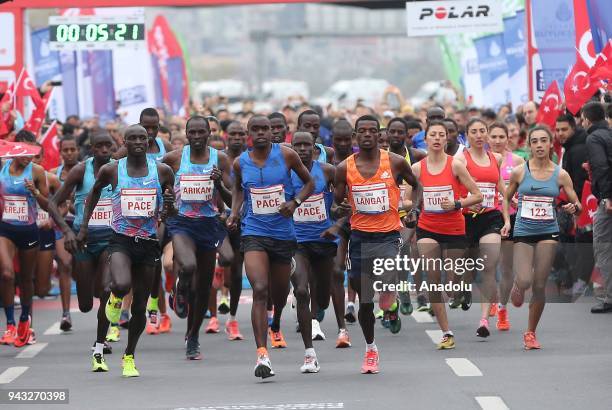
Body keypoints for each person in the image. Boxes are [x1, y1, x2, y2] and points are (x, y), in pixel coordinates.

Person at [81, 124, 175, 377]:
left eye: (141, 138)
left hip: (148, 243)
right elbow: (93, 193)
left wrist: (168, 207)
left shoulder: (163, 171)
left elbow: (170, 210)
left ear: (148, 141)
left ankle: (129, 356)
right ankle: (99, 348)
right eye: (131, 138)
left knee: (140, 306)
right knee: (120, 285)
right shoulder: (112, 170)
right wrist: (84, 226)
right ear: (124, 142)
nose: (137, 142)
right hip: (120, 239)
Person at [227, 115, 313, 379]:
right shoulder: (240, 162)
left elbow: (310, 183)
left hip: (283, 235)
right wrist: (234, 213)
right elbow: (239, 191)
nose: (262, 132)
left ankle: (277, 312)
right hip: (254, 232)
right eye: (257, 129)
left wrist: (295, 202)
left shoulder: (286, 155)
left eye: (266, 128)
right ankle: (262, 354)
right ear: (249, 134)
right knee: (260, 289)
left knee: (279, 294)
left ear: (272, 132)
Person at [334, 115, 420, 374]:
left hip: (388, 235)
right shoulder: (343, 168)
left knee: (384, 277)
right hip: (360, 237)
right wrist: (342, 207)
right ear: (355, 137)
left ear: (378, 134)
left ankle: (389, 294)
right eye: (363, 131)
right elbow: (336, 204)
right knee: (365, 302)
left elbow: (418, 186)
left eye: (373, 131)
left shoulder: (394, 162)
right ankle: (371, 348)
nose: (368, 135)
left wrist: (414, 208)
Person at [504, 126, 581, 349]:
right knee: (526, 280)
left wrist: (572, 208)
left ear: (550, 144)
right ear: (529, 145)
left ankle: (530, 333)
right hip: (524, 232)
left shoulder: (561, 174)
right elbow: (506, 199)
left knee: (539, 284)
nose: (539, 145)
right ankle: (518, 285)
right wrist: (508, 221)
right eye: (535, 141)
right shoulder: (520, 171)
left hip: (548, 231)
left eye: (543, 141)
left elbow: (578, 205)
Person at [163, 115, 232, 360]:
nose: (196, 137)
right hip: (182, 223)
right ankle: (179, 286)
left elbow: (231, 198)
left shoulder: (219, 159)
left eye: (201, 132)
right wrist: (166, 200)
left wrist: (218, 185)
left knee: (204, 287)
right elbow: (157, 180)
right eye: (191, 132)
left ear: (208, 133)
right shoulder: (174, 158)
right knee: (188, 266)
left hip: (208, 224)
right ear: (186, 133)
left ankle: (193, 337)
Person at [412, 120, 482, 350]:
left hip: (454, 229)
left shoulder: (456, 166)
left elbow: (477, 195)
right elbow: (407, 197)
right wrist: (405, 206)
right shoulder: (417, 169)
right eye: (432, 134)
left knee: (450, 286)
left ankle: (452, 291)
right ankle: (446, 332)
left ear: (446, 139)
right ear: (426, 138)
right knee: (432, 278)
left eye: (441, 135)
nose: (437, 138)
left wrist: (456, 203)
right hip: (427, 228)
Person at [48, 131, 115, 371]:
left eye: (109, 146)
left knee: (107, 289)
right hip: (83, 242)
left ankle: (101, 341)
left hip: (111, 240)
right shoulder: (80, 171)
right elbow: (53, 204)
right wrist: (67, 232)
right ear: (91, 149)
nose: (104, 150)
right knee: (87, 302)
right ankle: (94, 311)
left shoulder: (120, 170)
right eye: (99, 146)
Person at [455, 119, 510, 337]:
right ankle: (462, 290)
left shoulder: (495, 158)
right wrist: (468, 199)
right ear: (467, 135)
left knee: (489, 265)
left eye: (482, 131)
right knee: (464, 268)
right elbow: (454, 192)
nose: (479, 135)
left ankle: (484, 320)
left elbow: (502, 192)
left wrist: (506, 220)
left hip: (490, 218)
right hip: (466, 219)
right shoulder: (460, 160)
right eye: (474, 132)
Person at [0, 135, 49, 347]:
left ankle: (24, 320)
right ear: (13, 151)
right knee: (7, 274)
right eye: (24, 153)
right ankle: (9, 324)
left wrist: (35, 191)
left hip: (28, 230)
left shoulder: (37, 171)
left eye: (31, 153)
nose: (29, 157)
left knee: (27, 279)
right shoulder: (2, 168)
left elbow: (47, 203)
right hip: (5, 229)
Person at [387, 117, 427, 314]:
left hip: (411, 214)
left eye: (399, 132)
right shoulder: (379, 158)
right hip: (387, 215)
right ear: (386, 134)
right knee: (399, 256)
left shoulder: (417, 156)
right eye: (392, 131)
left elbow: (423, 183)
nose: (396, 135)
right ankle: (403, 292)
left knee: (409, 251)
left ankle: (419, 293)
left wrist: (415, 209)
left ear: (406, 135)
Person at [487, 122, 524, 330]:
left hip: (510, 218)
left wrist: (519, 199)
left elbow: (524, 187)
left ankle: (502, 308)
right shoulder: (480, 161)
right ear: (488, 138)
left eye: (502, 136)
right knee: (489, 263)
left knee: (506, 266)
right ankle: (491, 298)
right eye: (494, 137)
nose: (498, 140)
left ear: (507, 139)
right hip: (488, 217)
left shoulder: (517, 161)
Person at [555, 113, 593, 297]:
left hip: (583, 206)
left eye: (564, 129)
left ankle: (582, 281)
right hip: (578, 204)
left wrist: (576, 210)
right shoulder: (570, 146)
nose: (560, 133)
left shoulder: (577, 149)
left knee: (581, 243)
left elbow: (578, 183)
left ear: (573, 128)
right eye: (557, 130)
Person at [218, 121, 247, 340]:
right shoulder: (218, 159)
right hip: (215, 219)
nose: (237, 138)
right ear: (226, 135)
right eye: (233, 134)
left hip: (242, 220)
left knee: (236, 273)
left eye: (241, 134)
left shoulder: (250, 160)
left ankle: (232, 318)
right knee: (216, 263)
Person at [582, 101, 612, 313]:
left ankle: (610, 297)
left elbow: (602, 166)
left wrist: (608, 196)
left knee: (602, 246)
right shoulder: (609, 134)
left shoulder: (593, 137)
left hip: (607, 201)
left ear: (587, 118)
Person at [51, 135, 80, 331]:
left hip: (83, 225)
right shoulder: (53, 174)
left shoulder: (87, 170)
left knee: (83, 271)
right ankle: (66, 313)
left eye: (72, 149)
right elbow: (49, 202)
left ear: (77, 150)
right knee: (65, 264)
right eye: (65, 150)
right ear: (60, 152)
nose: (69, 153)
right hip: (62, 226)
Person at [330, 120, 357, 327]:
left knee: (357, 269)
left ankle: (351, 304)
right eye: (338, 139)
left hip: (359, 220)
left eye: (346, 139)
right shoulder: (327, 159)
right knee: (337, 269)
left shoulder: (358, 159)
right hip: (335, 221)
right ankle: (338, 311)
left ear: (352, 138)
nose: (342, 143)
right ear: (332, 138)